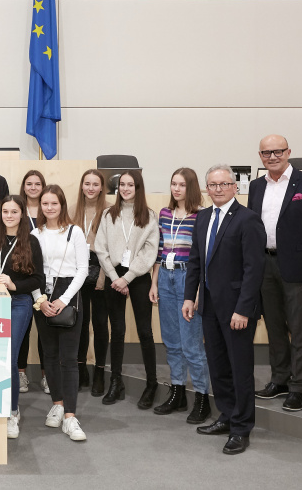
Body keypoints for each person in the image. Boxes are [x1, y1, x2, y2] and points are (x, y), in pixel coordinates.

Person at [183, 164, 266, 455]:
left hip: (237, 311)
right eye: (212, 184)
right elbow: (195, 261)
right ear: (207, 188)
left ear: (235, 186)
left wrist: (243, 309)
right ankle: (228, 417)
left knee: (240, 369)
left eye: (223, 184)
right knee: (218, 367)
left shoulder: (248, 220)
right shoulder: (203, 217)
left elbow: (254, 270)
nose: (217, 189)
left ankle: (242, 428)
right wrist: (189, 297)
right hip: (208, 306)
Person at [248, 135, 302, 411]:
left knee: (298, 327)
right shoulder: (256, 186)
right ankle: (280, 379)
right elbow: (251, 229)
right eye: (266, 152)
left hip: (296, 266)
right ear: (260, 156)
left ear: (288, 152)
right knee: (273, 326)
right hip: (264, 265)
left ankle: (299, 385)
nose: (272, 156)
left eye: (277, 151)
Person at [0, 195, 45, 439]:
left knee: (9, 358)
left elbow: (39, 280)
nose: (8, 216)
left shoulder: (31, 242)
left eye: (14, 212)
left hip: (18, 304)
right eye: (5, 211)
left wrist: (14, 285)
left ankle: (11, 412)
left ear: (22, 214)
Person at [148, 168, 211, 423]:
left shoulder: (200, 216)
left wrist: (195, 292)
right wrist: (154, 283)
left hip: (188, 278)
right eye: (173, 184)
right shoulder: (164, 214)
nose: (176, 189)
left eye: (182, 185)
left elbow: (202, 258)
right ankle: (177, 391)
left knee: (191, 344)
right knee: (171, 341)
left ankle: (202, 398)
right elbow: (160, 251)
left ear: (191, 187)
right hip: (165, 276)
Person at [95, 170, 160, 408]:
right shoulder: (108, 214)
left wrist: (129, 277)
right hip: (113, 276)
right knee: (118, 331)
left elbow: (150, 251)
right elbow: (100, 248)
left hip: (138, 276)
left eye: (130, 185)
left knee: (145, 331)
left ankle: (151, 384)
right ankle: (116, 382)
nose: (125, 189)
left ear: (138, 188)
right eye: (121, 184)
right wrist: (115, 277)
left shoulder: (149, 216)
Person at [31, 185, 89, 441]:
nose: (50, 207)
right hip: (42, 294)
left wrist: (64, 300)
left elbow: (83, 270)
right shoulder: (35, 233)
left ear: (62, 205)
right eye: (45, 203)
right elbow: (29, 271)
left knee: (69, 357)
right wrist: (40, 300)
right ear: (40, 206)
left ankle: (70, 416)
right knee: (50, 355)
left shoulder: (75, 232)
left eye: (54, 203)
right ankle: (57, 403)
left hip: (69, 294)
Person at [72, 169, 111, 396]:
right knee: (80, 323)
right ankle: (80, 369)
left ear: (101, 187)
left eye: (95, 184)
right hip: (79, 270)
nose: (91, 188)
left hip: (101, 270)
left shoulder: (108, 212)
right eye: (87, 183)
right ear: (82, 186)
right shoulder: (72, 211)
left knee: (99, 323)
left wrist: (104, 277)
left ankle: (98, 372)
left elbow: (110, 249)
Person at [17, 170, 47, 394]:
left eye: (38, 184)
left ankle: (47, 375)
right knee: (24, 331)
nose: (34, 187)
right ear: (24, 187)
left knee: (45, 331)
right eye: (29, 183)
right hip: (25, 278)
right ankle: (21, 374)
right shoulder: (18, 210)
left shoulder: (48, 209)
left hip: (47, 278)